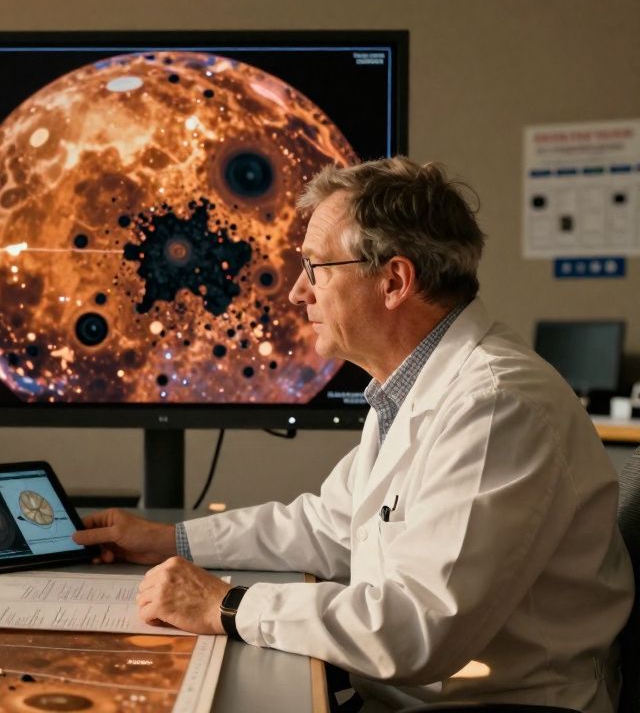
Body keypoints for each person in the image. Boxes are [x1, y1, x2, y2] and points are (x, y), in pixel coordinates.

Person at [73, 157, 634, 712]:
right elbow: (326, 526)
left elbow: (418, 629)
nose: (298, 292)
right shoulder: (409, 388)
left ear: (394, 281)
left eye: (316, 267)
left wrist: (228, 606)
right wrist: (168, 541)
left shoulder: (496, 406)